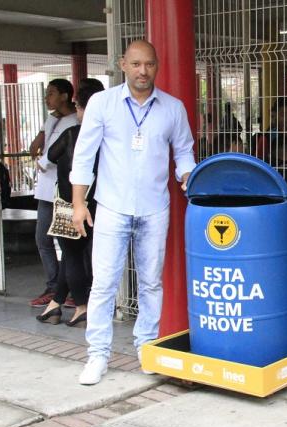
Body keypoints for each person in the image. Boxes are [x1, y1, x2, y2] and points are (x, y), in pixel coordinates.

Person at [70, 40, 196, 385]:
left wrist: (188, 175)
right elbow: (84, 156)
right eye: (136, 64)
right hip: (111, 207)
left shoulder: (172, 108)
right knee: (105, 284)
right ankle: (97, 356)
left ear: (157, 66)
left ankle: (146, 348)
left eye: (150, 64)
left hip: (155, 209)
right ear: (122, 64)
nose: (143, 71)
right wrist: (79, 203)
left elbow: (184, 152)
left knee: (151, 283)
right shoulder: (103, 103)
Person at [35, 79, 105, 327]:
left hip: (69, 204)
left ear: (82, 108)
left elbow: (49, 157)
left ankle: (82, 307)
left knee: (72, 255)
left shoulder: (72, 134)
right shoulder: (108, 138)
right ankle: (55, 305)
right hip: (99, 204)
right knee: (75, 255)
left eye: (78, 108)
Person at [29, 79, 79, 308]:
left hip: (64, 192)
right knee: (43, 240)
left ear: (65, 96)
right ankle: (54, 286)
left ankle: (68, 288)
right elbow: (37, 143)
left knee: (67, 243)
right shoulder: (52, 119)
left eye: (51, 93)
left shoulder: (74, 121)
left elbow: (52, 157)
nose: (47, 98)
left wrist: (43, 158)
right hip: (45, 191)